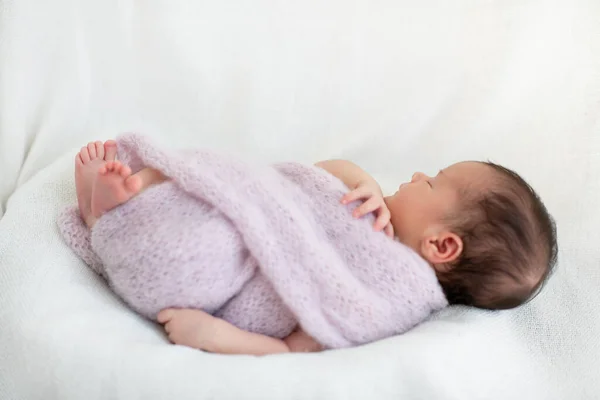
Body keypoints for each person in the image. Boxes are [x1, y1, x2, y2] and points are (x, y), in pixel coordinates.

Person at [73, 140, 557, 355]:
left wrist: (215, 337)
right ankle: (128, 204)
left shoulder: (389, 300)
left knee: (203, 251)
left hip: (235, 279)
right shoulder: (369, 204)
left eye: (431, 183)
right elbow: (311, 171)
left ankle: (107, 216)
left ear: (442, 244)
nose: (414, 177)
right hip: (255, 214)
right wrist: (362, 181)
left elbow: (294, 347)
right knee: (219, 179)